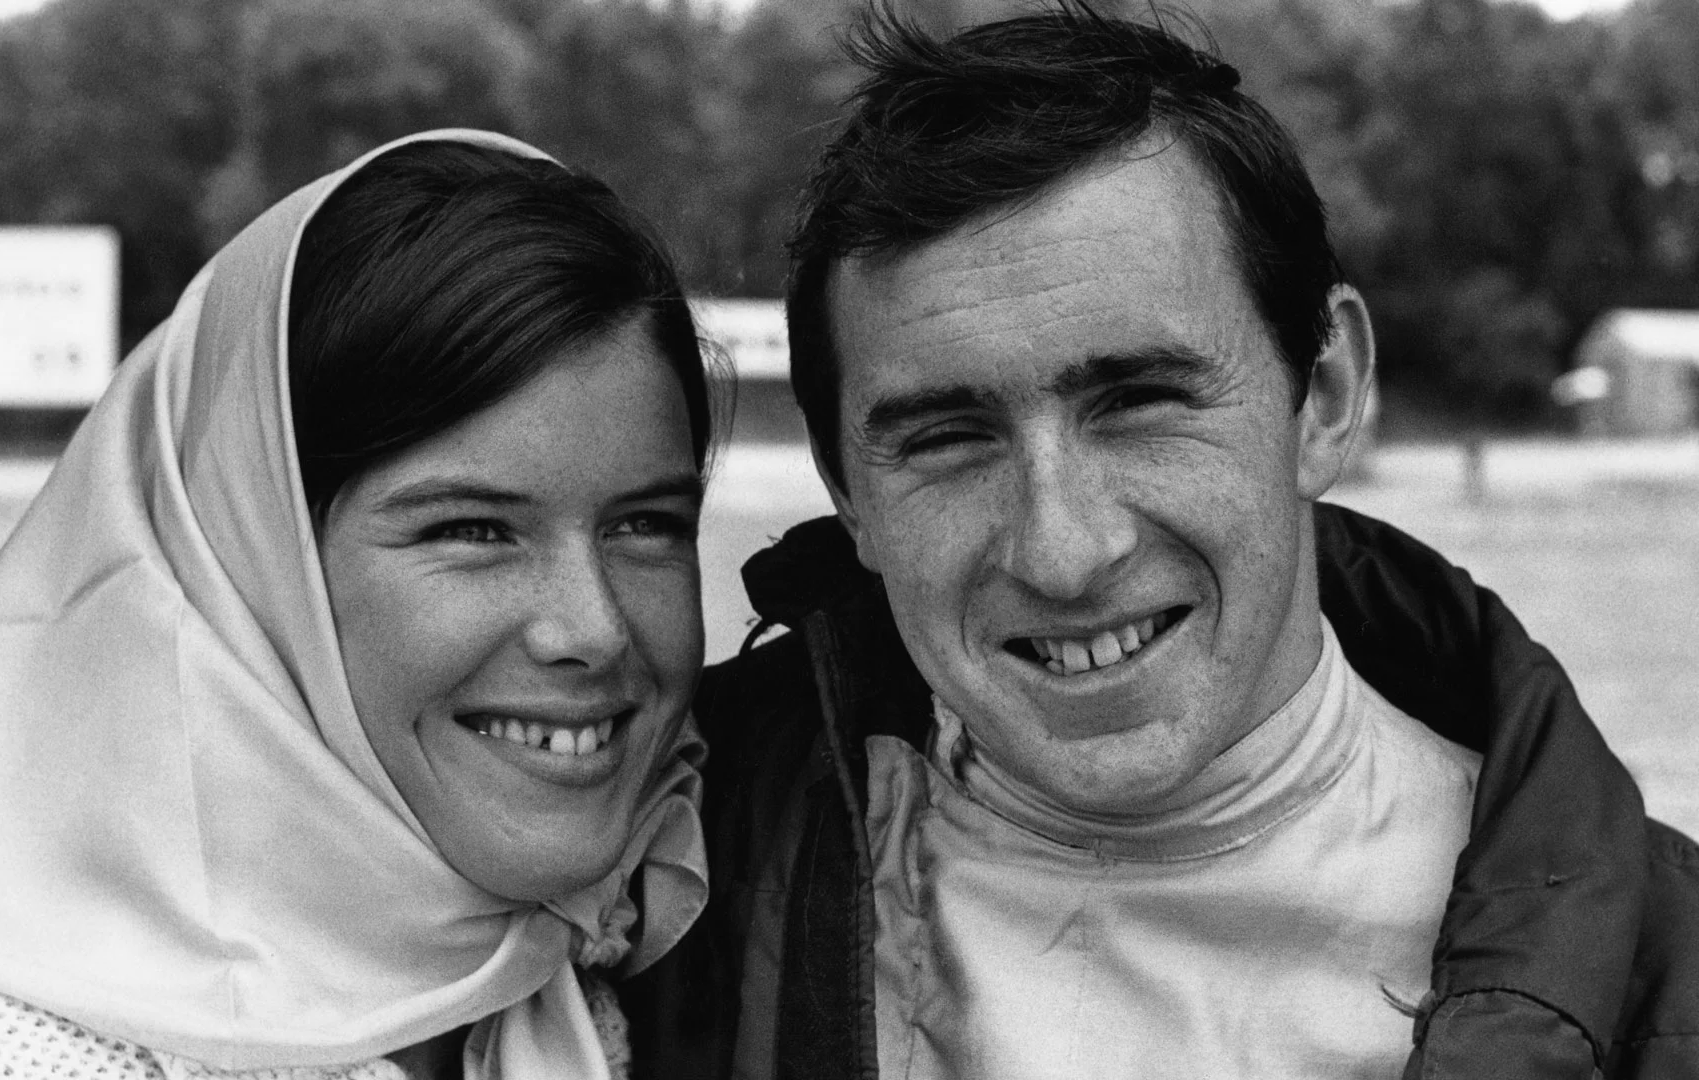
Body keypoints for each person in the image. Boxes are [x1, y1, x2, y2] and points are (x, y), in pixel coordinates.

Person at [622, 8, 1699, 1079]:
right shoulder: (654, 889)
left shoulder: (1664, 978)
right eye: (949, 439)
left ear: (1323, 395)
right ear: (846, 492)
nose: (1062, 551)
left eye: (1139, 401)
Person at [0, 129, 717, 1080]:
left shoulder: (562, 981)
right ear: (252, 570)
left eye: (646, 525)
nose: (594, 629)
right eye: (472, 531)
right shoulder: (24, 1062)